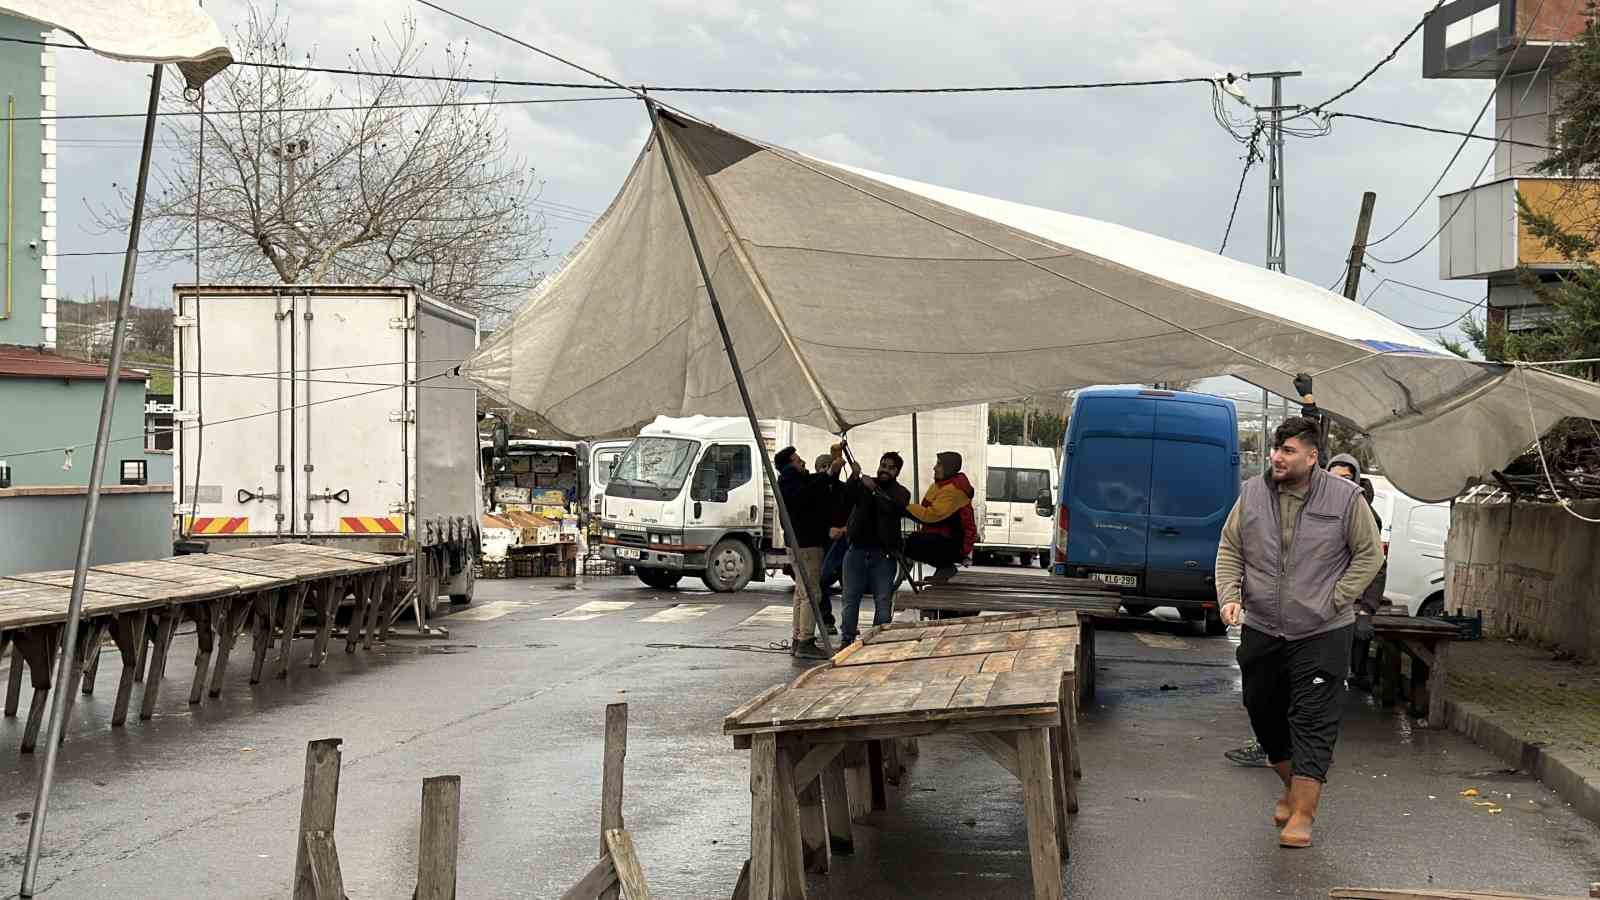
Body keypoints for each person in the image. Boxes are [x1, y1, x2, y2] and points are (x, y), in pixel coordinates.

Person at [1215, 417, 1384, 848]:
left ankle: (1303, 815)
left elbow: (1368, 555)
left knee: (1312, 719)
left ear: (1312, 457)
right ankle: (1292, 788)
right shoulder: (1252, 494)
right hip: (1263, 626)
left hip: (1323, 630)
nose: (1277, 456)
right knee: (1262, 708)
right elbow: (1230, 548)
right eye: (1276, 448)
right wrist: (1229, 594)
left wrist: (1335, 598)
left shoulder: (1345, 498)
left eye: (1289, 450)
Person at [1326, 455, 1388, 688]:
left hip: (1348, 600)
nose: (1340, 484)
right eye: (1333, 478)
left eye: (1346, 478)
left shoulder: (1367, 517)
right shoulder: (1315, 508)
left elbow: (1376, 565)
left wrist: (1366, 609)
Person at [776, 446, 843, 660]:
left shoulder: (794, 481)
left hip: (798, 543)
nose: (802, 462)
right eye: (797, 460)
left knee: (802, 592)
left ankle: (798, 637)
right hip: (805, 544)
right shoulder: (791, 483)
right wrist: (829, 474)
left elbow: (813, 484)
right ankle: (805, 639)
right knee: (812, 592)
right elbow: (808, 493)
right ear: (789, 465)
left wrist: (829, 474)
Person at [839, 452, 912, 648]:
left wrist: (875, 491)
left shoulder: (901, 492)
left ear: (897, 472)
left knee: (883, 599)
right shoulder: (865, 484)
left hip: (883, 554)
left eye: (890, 467)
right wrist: (853, 477)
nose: (884, 470)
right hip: (856, 550)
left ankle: (877, 641)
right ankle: (847, 639)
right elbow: (845, 499)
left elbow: (893, 508)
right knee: (850, 598)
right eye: (883, 465)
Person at [902, 451, 976, 584]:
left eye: (939, 465)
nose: (934, 468)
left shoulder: (953, 490)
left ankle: (946, 567)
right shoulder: (940, 485)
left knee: (912, 542)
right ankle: (943, 569)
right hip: (946, 537)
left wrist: (904, 508)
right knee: (912, 542)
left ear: (949, 468)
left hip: (957, 543)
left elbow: (931, 515)